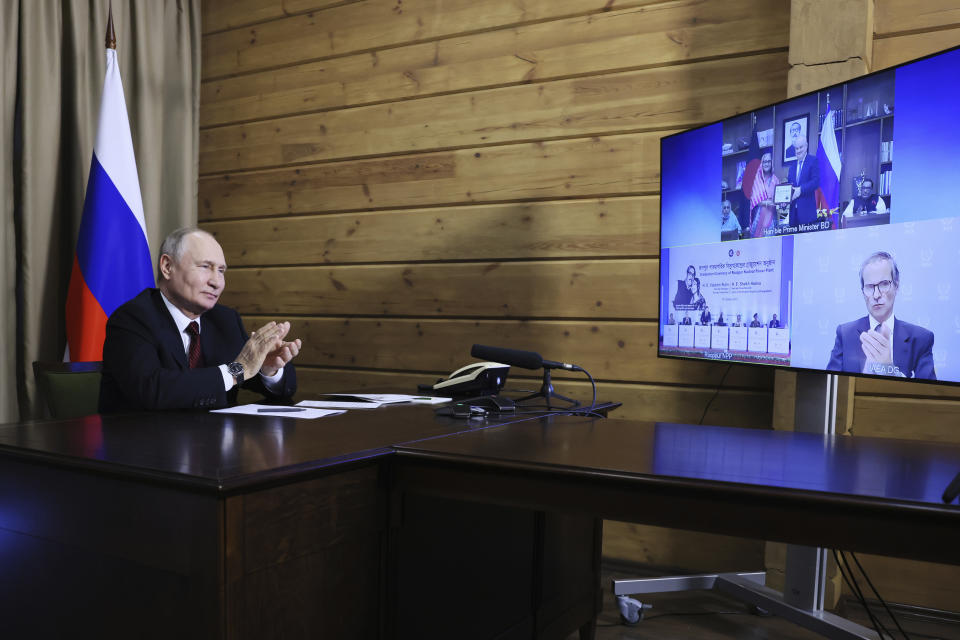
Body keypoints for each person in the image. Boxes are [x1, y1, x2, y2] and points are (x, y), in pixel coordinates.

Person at [99, 227, 301, 413]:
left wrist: (267, 368)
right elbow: (152, 390)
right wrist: (236, 371)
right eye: (205, 267)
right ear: (167, 266)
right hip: (142, 445)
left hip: (215, 444)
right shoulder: (132, 318)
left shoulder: (225, 319)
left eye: (221, 271)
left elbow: (249, 374)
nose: (216, 282)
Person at [827, 251, 935, 379]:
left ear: (896, 285)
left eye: (884, 284)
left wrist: (889, 371)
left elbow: (926, 393)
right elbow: (833, 384)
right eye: (869, 287)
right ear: (863, 292)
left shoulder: (921, 338)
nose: (876, 295)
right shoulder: (845, 333)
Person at [788, 135, 819, 227]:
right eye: (796, 148)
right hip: (793, 216)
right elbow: (790, 188)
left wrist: (800, 190)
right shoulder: (792, 167)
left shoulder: (813, 161)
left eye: (801, 147)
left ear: (806, 146)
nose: (798, 150)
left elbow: (816, 182)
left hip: (808, 215)